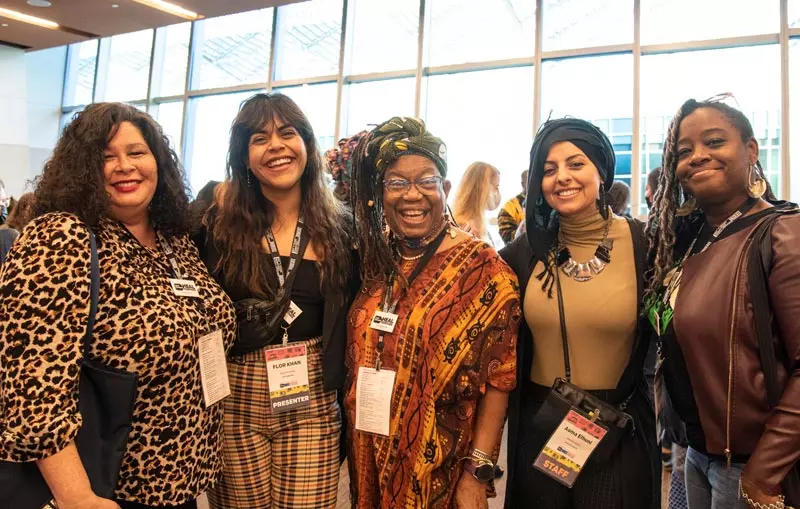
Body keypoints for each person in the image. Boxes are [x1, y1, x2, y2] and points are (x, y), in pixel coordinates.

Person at [0, 102, 236, 509]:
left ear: (157, 162)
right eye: (106, 157)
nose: (124, 166)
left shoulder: (173, 238)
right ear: (82, 170)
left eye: (137, 152)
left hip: (182, 483)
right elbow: (31, 382)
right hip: (108, 487)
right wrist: (75, 496)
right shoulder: (62, 237)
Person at [346, 116, 520, 509]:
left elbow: (500, 378)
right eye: (397, 182)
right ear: (380, 194)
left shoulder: (481, 268)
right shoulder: (374, 261)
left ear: (444, 189)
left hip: (441, 464)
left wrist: (478, 472)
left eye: (426, 180)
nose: (413, 195)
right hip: (369, 453)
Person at [195, 93, 358, 509]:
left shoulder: (340, 225)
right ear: (244, 155)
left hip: (312, 391)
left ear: (306, 144)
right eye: (259, 138)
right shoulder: (215, 214)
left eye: (287, 133)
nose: (276, 146)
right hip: (233, 389)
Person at [645, 97, 800, 509]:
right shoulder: (691, 241)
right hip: (696, 453)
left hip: (751, 466)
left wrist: (763, 474)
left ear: (750, 150)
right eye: (683, 151)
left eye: (714, 141)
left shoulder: (783, 234)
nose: (697, 157)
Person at [501, 117, 659, 509]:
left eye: (576, 164)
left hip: (619, 425)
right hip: (542, 423)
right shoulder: (522, 256)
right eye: (549, 169)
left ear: (601, 172)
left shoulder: (647, 246)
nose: (562, 178)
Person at [452, 161, 502, 244]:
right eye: (496, 187)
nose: (498, 192)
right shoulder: (466, 228)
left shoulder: (479, 222)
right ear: (483, 189)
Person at [497, 170, 528, 244]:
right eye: (530, 180)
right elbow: (507, 238)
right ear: (523, 184)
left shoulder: (548, 201)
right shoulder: (509, 207)